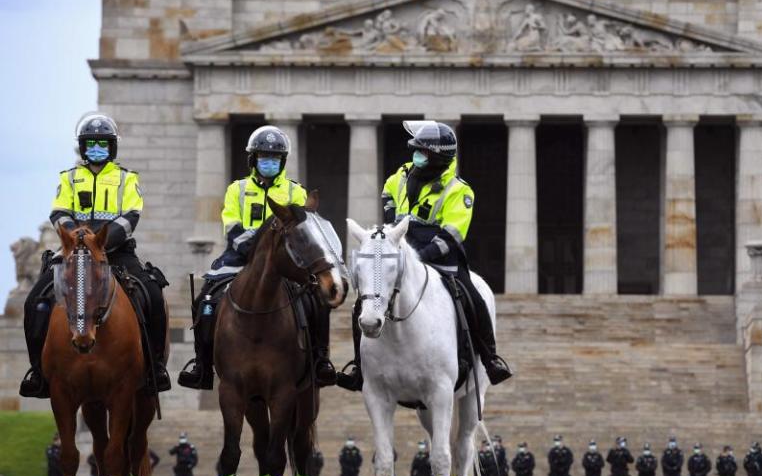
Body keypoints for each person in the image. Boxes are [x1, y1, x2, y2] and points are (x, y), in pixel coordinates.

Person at [337, 120, 512, 392]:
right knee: (363, 305)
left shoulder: (458, 189)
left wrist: (424, 255)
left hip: (441, 256)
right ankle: (360, 367)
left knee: (472, 295)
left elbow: (454, 234)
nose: (417, 155)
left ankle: (490, 358)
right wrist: (393, 228)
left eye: (423, 152)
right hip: (402, 250)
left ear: (439, 158)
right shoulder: (401, 176)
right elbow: (388, 196)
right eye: (416, 150)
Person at [20, 112, 171, 399]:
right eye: (91, 145)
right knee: (35, 301)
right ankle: (38, 371)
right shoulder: (69, 178)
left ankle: (156, 368)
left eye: (103, 144)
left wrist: (101, 241)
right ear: (83, 147)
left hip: (115, 252)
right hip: (73, 250)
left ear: (112, 147)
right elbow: (59, 212)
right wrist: (77, 237)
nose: (97, 150)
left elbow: (131, 215)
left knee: (151, 293)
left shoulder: (127, 179)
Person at [178, 125, 335, 390]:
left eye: (274, 158)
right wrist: (256, 250)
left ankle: (320, 360)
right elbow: (231, 225)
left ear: (282, 162)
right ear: (253, 160)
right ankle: (201, 364)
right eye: (264, 157)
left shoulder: (295, 192)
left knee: (316, 299)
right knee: (205, 299)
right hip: (240, 256)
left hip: (286, 260)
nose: (269, 162)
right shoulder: (236, 189)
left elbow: (304, 230)